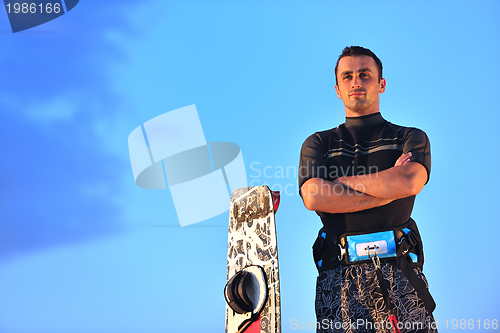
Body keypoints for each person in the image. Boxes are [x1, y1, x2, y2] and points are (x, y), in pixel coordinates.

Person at [298, 46, 437, 333]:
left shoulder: (409, 137)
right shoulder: (319, 144)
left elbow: (410, 181)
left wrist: (338, 185)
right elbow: (313, 196)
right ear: (338, 89)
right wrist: (389, 187)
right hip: (339, 280)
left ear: (381, 84)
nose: (356, 82)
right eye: (347, 77)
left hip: (400, 274)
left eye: (365, 74)